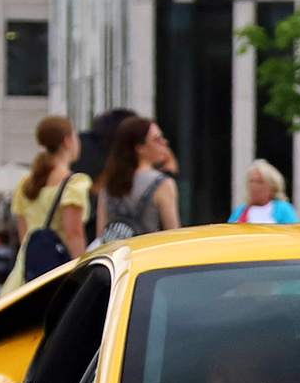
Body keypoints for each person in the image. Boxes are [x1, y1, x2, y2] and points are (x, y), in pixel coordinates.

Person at [10, 115, 91, 292]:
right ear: (67, 142)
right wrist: (83, 276)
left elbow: (25, 238)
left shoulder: (26, 184)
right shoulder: (73, 184)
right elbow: (74, 234)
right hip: (59, 269)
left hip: (26, 272)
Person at [93, 116, 180, 246]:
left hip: (117, 260)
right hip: (148, 259)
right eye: (157, 139)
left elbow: (101, 236)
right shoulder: (162, 184)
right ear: (140, 148)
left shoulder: (109, 183)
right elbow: (174, 236)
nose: (165, 142)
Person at [228, 160, 300, 224]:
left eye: (260, 182)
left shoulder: (283, 210)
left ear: (272, 186)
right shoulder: (240, 212)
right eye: (252, 181)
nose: (254, 187)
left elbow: (294, 234)